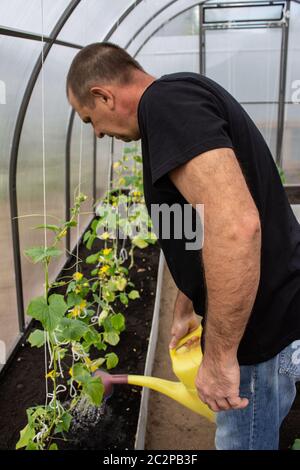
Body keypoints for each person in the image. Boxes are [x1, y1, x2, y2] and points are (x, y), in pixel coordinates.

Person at [66, 42, 300, 450]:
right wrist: (185, 308)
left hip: (260, 333)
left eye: (90, 120)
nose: (98, 132)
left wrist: (221, 357)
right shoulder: (169, 111)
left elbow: (236, 229)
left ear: (104, 95)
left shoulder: (167, 106)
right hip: (259, 318)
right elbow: (195, 228)